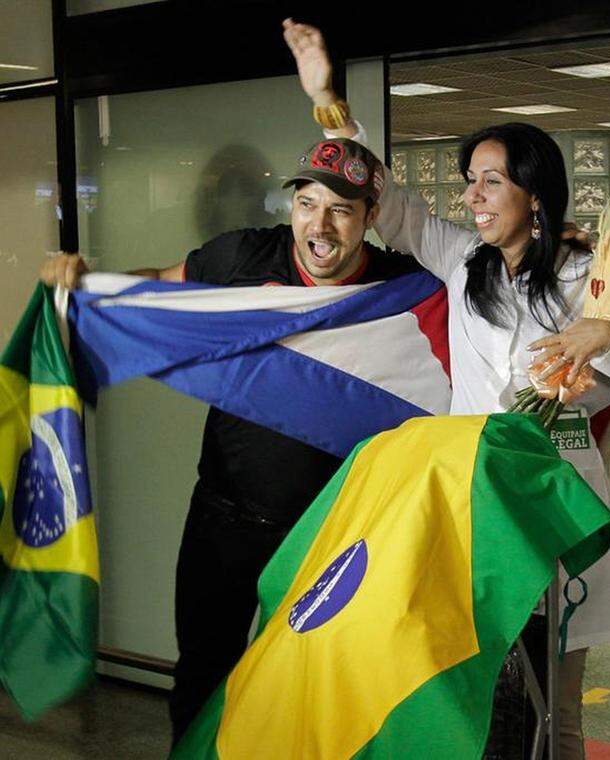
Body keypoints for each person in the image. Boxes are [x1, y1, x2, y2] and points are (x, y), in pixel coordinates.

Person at [284, 21, 610, 758]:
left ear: (535, 193)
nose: (472, 196)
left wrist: (605, 337)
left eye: (491, 180)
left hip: (556, 499)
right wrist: (330, 105)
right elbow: (386, 200)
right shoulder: (464, 261)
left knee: (556, 702)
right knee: (478, 689)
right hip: (473, 503)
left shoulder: (585, 277)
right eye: (471, 180)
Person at [39, 137, 423, 742]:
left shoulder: (403, 291)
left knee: (315, 688)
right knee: (203, 676)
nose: (320, 225)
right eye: (307, 204)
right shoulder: (243, 255)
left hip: (332, 533)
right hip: (224, 517)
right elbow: (158, 287)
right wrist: (88, 284)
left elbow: (483, 285)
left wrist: (551, 245)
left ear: (371, 216)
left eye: (341, 210)